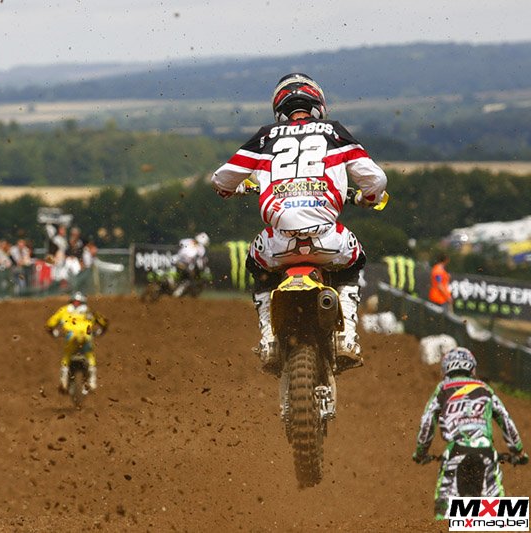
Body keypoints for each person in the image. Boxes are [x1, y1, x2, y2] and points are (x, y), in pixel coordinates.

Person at [211, 73, 388, 373]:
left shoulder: (265, 137)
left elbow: (220, 179)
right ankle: (346, 337)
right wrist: (367, 198)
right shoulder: (334, 132)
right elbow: (376, 180)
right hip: (327, 240)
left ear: (279, 110)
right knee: (355, 260)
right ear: (318, 105)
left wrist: (232, 190)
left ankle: (268, 339)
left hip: (278, 244)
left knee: (255, 264)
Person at [413, 347, 528, 520]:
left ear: (446, 370)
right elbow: (505, 419)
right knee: (499, 514)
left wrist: (421, 452)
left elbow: (427, 421)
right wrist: (518, 451)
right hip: (486, 451)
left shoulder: (443, 389)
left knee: (444, 509)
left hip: (456, 451)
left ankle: (445, 520)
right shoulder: (485, 389)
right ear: (472, 369)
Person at [45, 292, 109, 392]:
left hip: (71, 337)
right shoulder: (89, 311)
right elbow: (104, 322)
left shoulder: (64, 310)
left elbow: (49, 324)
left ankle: (64, 381)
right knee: (90, 356)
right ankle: (92, 382)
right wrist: (100, 331)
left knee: (67, 356)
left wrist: (53, 332)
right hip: (85, 336)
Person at [172, 232, 210, 297]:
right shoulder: (188, 241)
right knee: (189, 275)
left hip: (186, 264)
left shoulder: (201, 248)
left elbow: (200, 260)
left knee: (189, 275)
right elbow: (178, 245)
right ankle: (177, 289)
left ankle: (179, 290)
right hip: (177, 260)